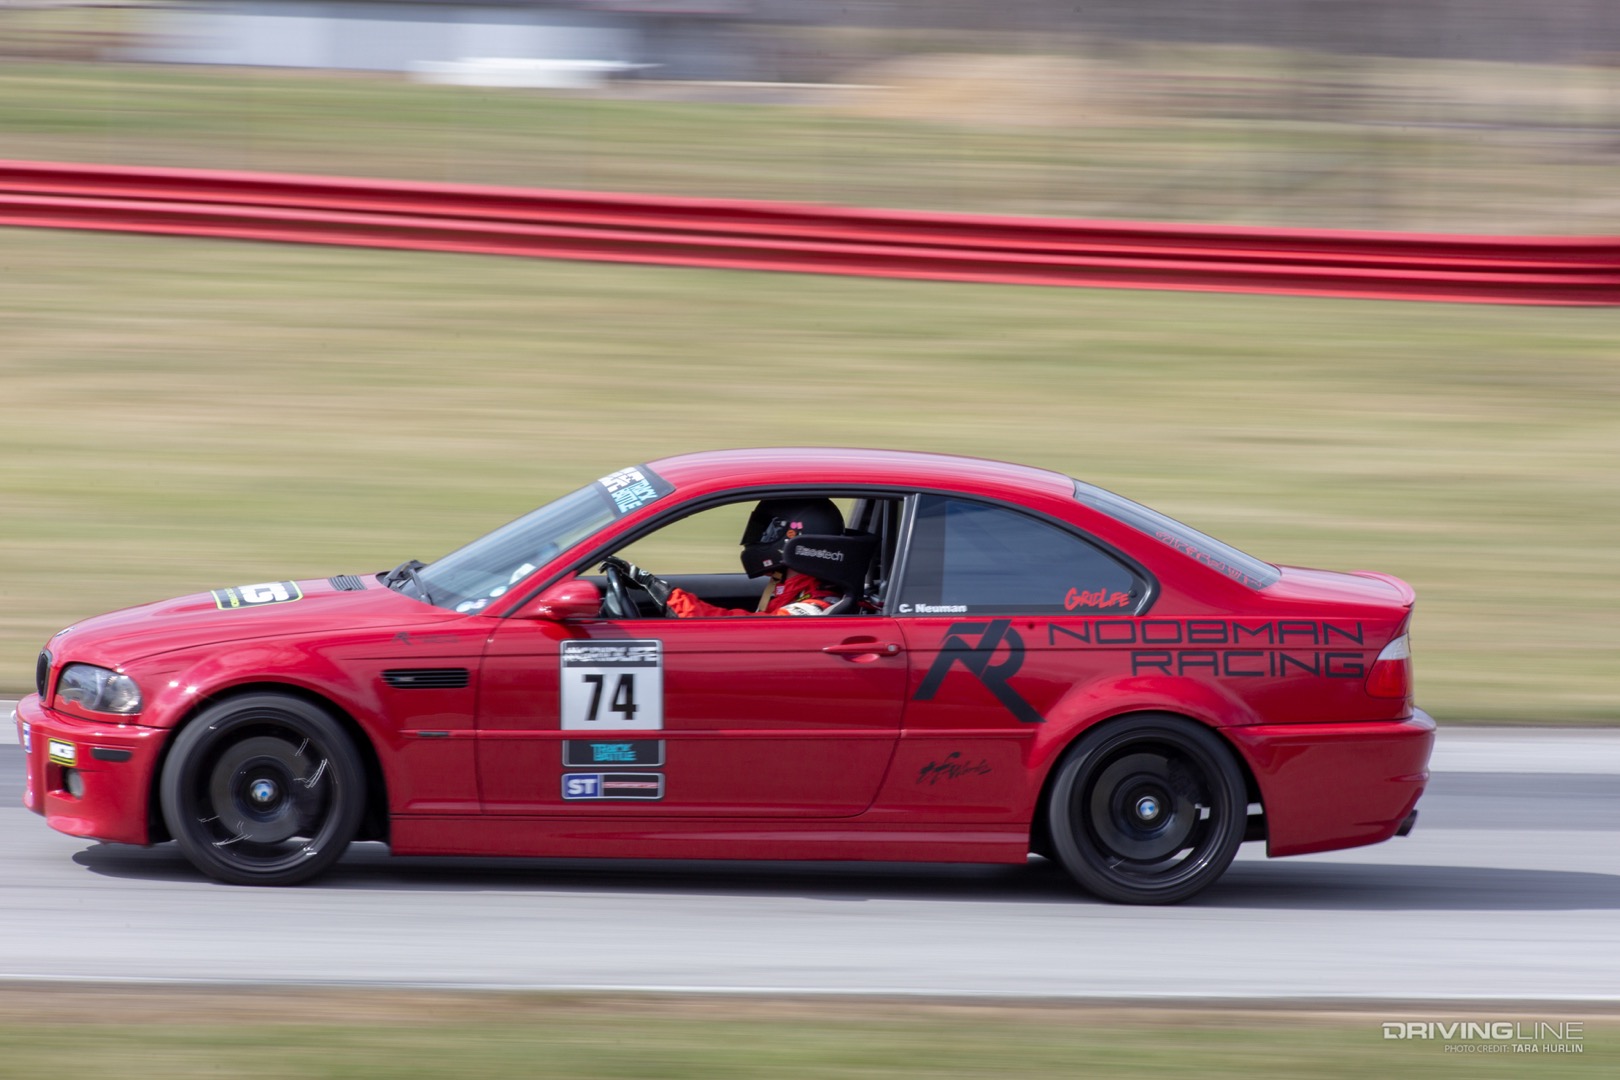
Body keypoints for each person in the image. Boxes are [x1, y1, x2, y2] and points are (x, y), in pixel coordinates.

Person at [609, 498, 847, 617]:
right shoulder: (787, 589)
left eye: (769, 531)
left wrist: (667, 596)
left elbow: (746, 634)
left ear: (798, 539)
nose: (758, 539)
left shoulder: (815, 606)